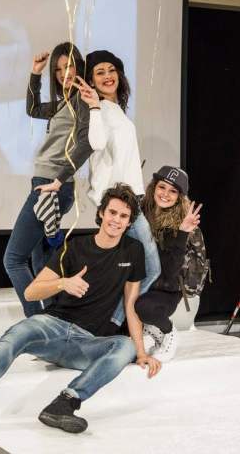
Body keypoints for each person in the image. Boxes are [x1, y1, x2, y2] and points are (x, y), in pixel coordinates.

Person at [0, 184, 161, 435]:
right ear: (101, 213)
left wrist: (141, 352)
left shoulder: (133, 251)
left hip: (87, 343)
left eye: (123, 216)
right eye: (112, 212)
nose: (116, 220)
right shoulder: (75, 247)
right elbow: (31, 292)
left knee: (125, 346)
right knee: (16, 335)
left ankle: (65, 403)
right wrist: (63, 283)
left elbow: (130, 306)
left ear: (129, 222)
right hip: (53, 328)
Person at [3, 42, 91, 317]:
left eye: (70, 66)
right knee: (40, 261)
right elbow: (32, 108)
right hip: (47, 183)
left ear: (80, 67)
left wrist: (59, 180)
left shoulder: (81, 100)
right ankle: (53, 320)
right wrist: (35, 72)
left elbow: (86, 142)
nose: (65, 73)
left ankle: (37, 321)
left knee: (13, 260)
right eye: (59, 69)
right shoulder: (63, 102)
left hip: (52, 184)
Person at [76, 50, 161, 329]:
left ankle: (111, 324)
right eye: (99, 72)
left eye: (111, 70)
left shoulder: (116, 111)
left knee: (125, 271)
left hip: (129, 200)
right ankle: (113, 323)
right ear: (91, 80)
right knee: (152, 268)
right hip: (121, 202)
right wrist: (94, 107)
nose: (107, 76)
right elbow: (97, 144)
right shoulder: (99, 110)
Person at [134, 166, 202, 362]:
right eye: (162, 187)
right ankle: (153, 333)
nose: (165, 194)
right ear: (154, 187)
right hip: (143, 281)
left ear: (179, 197)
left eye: (173, 191)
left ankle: (168, 333)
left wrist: (182, 233)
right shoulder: (140, 214)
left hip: (167, 288)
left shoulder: (183, 223)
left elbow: (172, 271)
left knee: (143, 307)